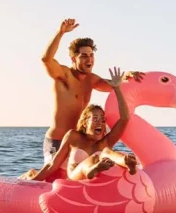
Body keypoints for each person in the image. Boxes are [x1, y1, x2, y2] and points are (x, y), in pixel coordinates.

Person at [41, 18, 144, 165]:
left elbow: (112, 84)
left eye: (91, 55)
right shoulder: (64, 75)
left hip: (78, 142)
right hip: (57, 141)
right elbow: (46, 59)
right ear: (73, 58)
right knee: (55, 179)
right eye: (83, 56)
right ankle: (30, 176)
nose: (89, 59)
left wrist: (127, 75)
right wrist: (61, 32)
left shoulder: (91, 80)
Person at [27, 67, 138, 181]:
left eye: (102, 119)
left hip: (96, 186)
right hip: (76, 178)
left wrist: (117, 88)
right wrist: (32, 183)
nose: (100, 122)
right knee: (94, 158)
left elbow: (124, 118)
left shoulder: (106, 141)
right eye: (95, 118)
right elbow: (52, 165)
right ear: (85, 123)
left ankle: (127, 161)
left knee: (106, 152)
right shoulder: (73, 137)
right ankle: (91, 169)